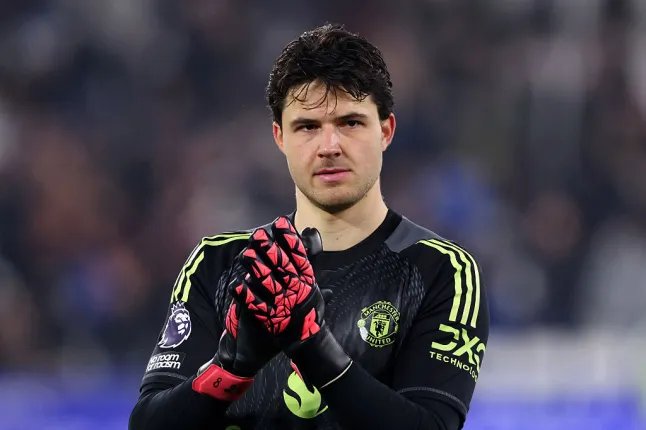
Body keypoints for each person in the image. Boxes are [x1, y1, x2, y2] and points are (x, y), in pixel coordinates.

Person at [129, 23, 489, 430]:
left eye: (350, 123)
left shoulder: (443, 271)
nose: (329, 146)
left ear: (386, 131)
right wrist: (230, 368)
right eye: (308, 126)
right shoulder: (218, 263)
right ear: (279, 137)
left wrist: (314, 349)